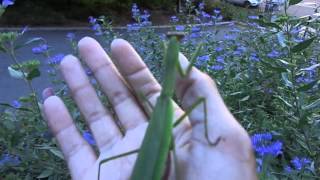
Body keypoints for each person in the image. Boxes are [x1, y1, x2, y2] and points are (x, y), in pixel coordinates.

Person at [42, 37, 257, 179]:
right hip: (158, 145)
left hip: (159, 152)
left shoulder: (157, 101)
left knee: (111, 156)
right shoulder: (163, 102)